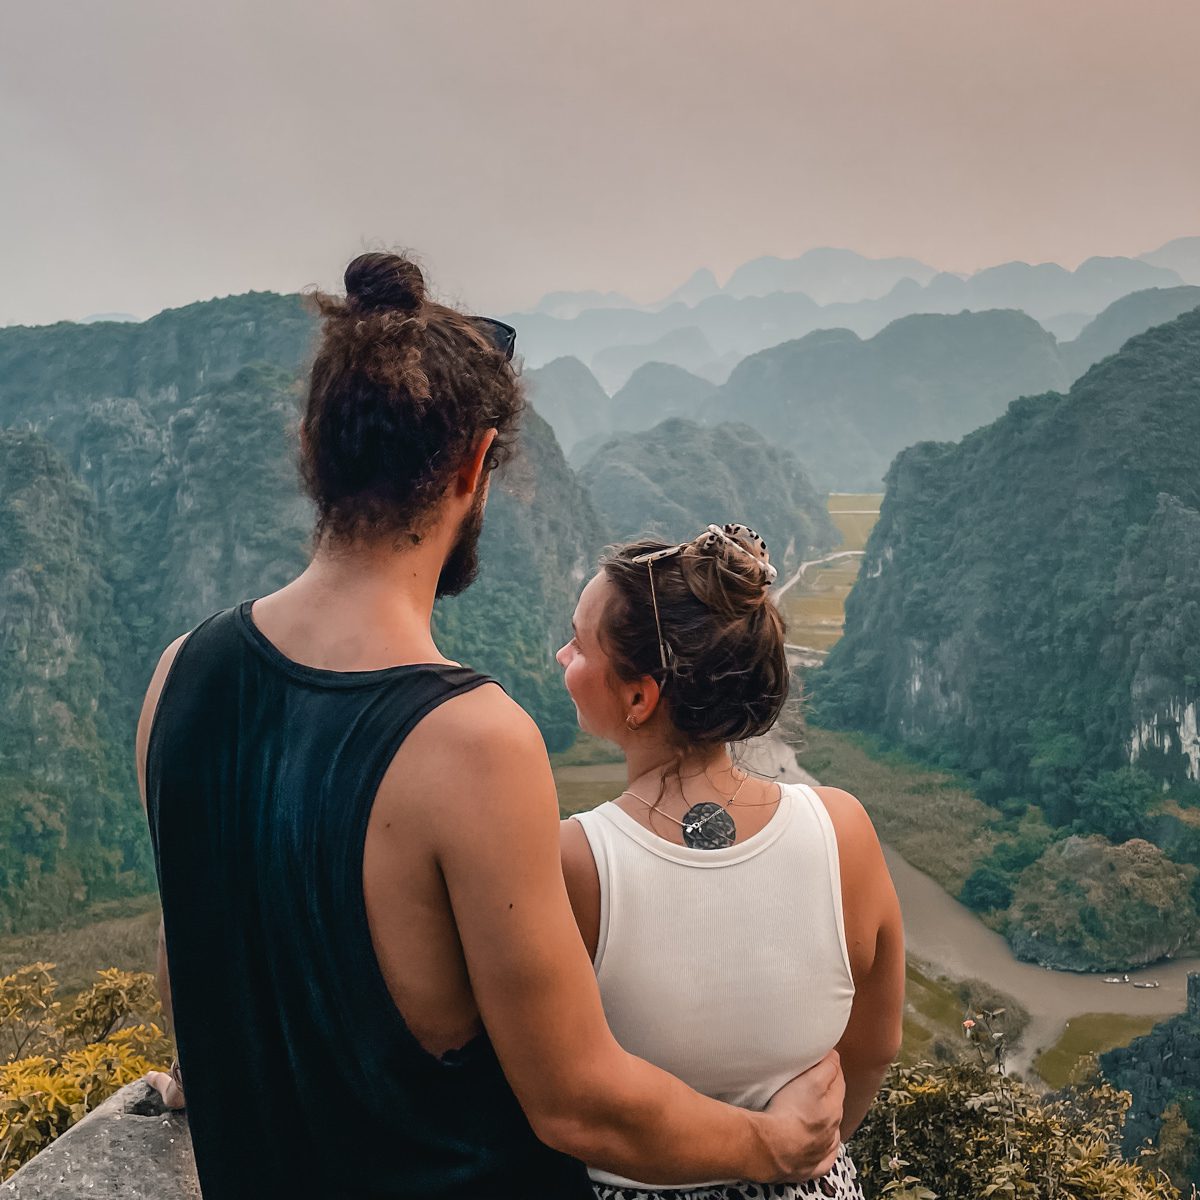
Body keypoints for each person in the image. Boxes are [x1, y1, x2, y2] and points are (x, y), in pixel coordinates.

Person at [136, 252, 847, 1198]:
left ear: (315, 447)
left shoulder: (177, 674)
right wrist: (776, 1147)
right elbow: (577, 1102)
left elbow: (194, 966)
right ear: (474, 463)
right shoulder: (472, 742)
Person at [557, 525, 905, 1200]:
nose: (562, 654)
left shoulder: (576, 862)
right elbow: (874, 1048)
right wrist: (809, 1158)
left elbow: (563, 1100)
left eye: (578, 642)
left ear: (638, 697)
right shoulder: (844, 831)